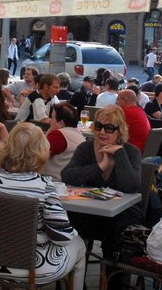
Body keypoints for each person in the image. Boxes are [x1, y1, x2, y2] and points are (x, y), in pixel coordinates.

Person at [0, 123, 92, 290]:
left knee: (42, 242)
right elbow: (62, 237)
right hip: (29, 266)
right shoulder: (43, 185)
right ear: (40, 152)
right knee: (79, 244)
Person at [61, 105, 143, 262]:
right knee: (65, 226)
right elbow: (67, 175)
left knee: (118, 233)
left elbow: (131, 186)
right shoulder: (85, 148)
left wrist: (119, 154)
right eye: (98, 126)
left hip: (121, 214)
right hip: (88, 213)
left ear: (120, 131)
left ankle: (113, 283)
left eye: (109, 128)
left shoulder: (131, 152)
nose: (102, 132)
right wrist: (100, 166)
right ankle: (73, 282)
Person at [43, 102, 86, 180]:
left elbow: (37, 156)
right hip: (70, 182)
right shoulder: (79, 135)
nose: (50, 121)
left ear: (61, 123)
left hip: (53, 182)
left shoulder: (58, 135)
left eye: (52, 118)